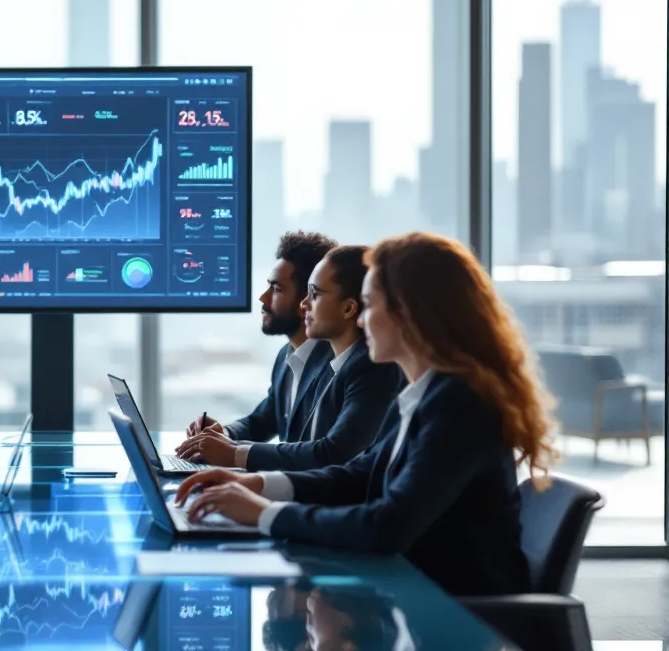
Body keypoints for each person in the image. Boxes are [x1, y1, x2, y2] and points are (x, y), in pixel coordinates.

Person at [173, 232, 559, 596]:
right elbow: (358, 474)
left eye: (369, 305)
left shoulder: (460, 404)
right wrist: (257, 484)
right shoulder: (424, 394)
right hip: (414, 589)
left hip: (459, 612)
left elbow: (387, 524)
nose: (360, 320)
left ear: (411, 314)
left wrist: (265, 513)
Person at [212, 245, 403, 471]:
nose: (304, 305)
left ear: (348, 309)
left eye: (314, 294)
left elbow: (333, 454)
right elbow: (266, 420)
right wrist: (224, 437)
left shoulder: (367, 366)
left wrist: (235, 454)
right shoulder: (329, 361)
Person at [176, 231, 337, 464]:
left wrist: (233, 454)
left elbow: (324, 454)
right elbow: (261, 421)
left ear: (307, 298)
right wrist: (222, 433)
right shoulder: (286, 356)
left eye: (277, 289)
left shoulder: (336, 363)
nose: (263, 298)